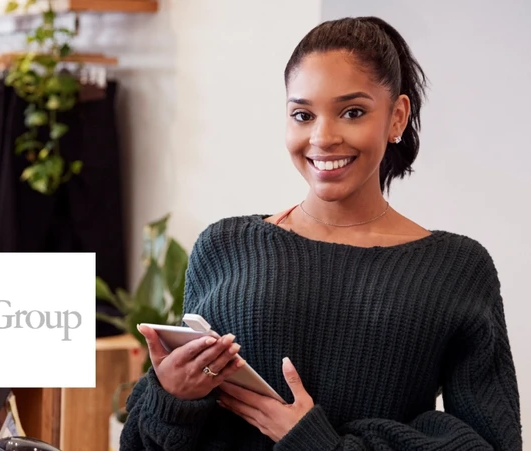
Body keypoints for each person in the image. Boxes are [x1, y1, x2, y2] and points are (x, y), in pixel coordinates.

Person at [119, 16, 523, 451]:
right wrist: (172, 396)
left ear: (396, 117)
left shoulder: (455, 269)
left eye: (352, 112)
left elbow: (491, 445)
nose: (322, 137)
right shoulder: (225, 246)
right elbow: (146, 440)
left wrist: (315, 442)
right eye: (302, 114)